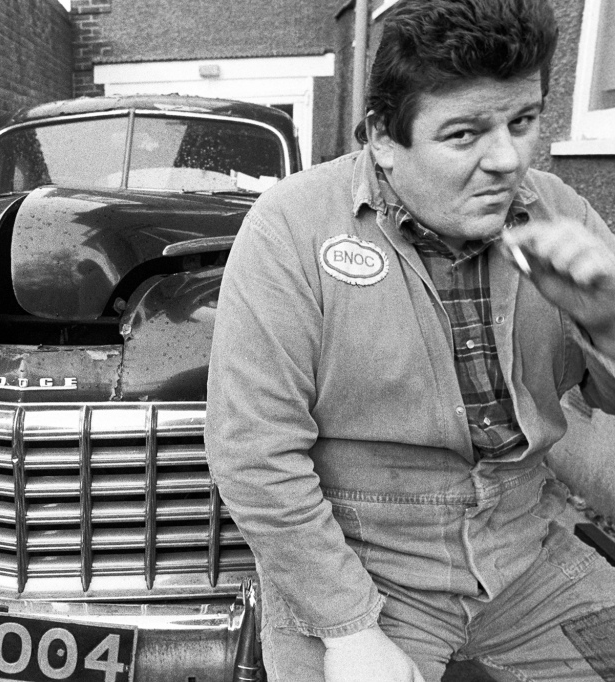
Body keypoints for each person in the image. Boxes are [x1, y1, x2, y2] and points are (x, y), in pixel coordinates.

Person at [204, 0, 615, 680]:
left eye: (524, 121)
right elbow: (253, 452)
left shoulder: (559, 211)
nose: (507, 159)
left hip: (525, 549)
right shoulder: (292, 229)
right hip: (359, 557)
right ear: (382, 140)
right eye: (463, 134)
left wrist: (604, 320)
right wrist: (348, 629)